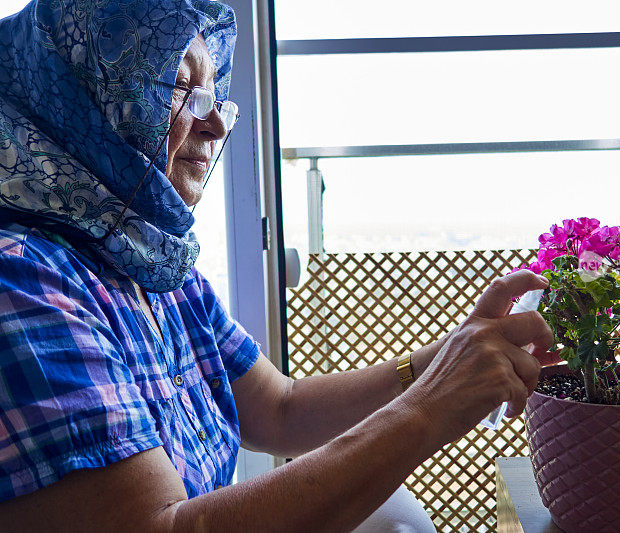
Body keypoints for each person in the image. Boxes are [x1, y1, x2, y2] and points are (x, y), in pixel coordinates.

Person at [0, 1, 557, 531]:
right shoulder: (21, 281)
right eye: (177, 87)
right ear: (77, 100)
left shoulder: (149, 257)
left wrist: (439, 362)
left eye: (214, 94)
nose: (216, 123)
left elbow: (281, 409)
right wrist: (432, 406)